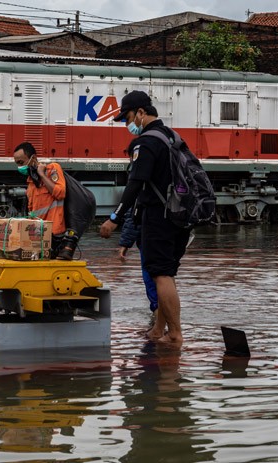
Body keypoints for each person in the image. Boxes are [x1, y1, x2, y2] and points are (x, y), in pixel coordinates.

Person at [99, 90, 192, 346]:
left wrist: (115, 217)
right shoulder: (172, 136)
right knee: (163, 273)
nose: (127, 124)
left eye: (128, 117)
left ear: (141, 113)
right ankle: (158, 329)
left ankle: (174, 334)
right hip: (178, 216)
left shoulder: (145, 142)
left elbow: (136, 183)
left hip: (158, 217)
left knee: (161, 275)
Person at [12, 142, 77, 260]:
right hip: (39, 237)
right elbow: (32, 212)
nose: (20, 167)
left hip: (55, 235)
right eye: (17, 164)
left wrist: (41, 174)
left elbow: (60, 193)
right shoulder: (31, 182)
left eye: (21, 163)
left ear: (34, 158)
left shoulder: (52, 169)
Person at [117, 209, 163, 338]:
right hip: (172, 235)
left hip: (149, 236)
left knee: (151, 278)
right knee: (167, 277)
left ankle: (158, 322)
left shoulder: (143, 190)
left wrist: (125, 243)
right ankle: (171, 327)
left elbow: (134, 213)